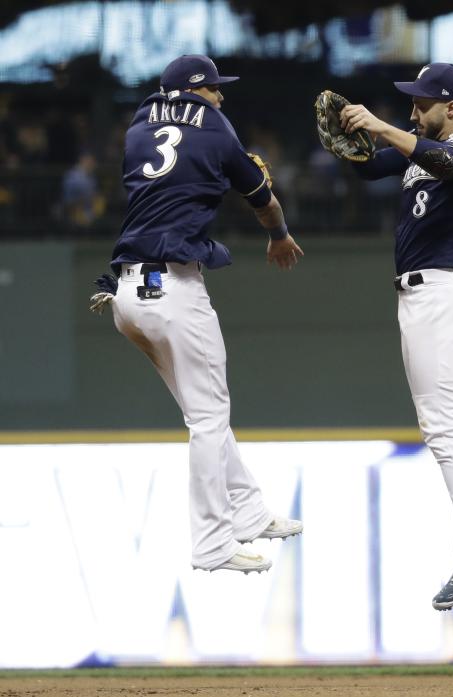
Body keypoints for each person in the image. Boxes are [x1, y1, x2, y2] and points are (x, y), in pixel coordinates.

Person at [98, 55, 304, 574]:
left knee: (202, 411)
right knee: (210, 418)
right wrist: (278, 234)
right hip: (173, 287)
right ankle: (213, 542)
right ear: (198, 91)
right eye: (214, 88)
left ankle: (250, 511)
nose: (221, 96)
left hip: (127, 291)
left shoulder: (139, 124)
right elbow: (264, 201)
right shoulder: (215, 126)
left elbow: (176, 173)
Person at [338, 62, 453, 610]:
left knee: (443, 426)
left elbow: (447, 163)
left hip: (443, 293)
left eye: (422, 103)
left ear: (451, 106)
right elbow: (369, 168)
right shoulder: (421, 147)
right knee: (439, 425)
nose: (413, 110)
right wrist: (351, 135)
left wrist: (383, 126)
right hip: (419, 297)